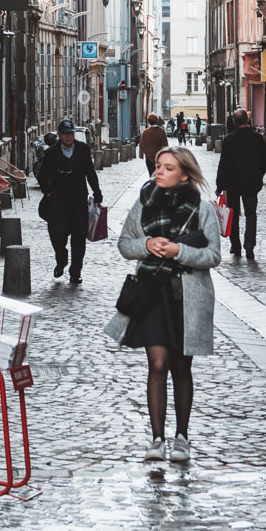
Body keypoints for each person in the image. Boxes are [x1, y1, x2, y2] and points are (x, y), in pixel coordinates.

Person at [104, 146, 221, 463]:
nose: (159, 171)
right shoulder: (144, 202)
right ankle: (157, 439)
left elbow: (213, 256)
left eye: (168, 168)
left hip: (186, 294)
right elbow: (125, 244)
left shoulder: (201, 209)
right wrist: (147, 245)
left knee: (181, 367)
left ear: (184, 174)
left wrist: (178, 252)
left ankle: (181, 437)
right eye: (158, 166)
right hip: (152, 291)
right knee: (157, 364)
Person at [37, 117, 102, 284]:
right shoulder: (51, 153)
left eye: (71, 133)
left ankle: (75, 272)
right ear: (59, 135)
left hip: (78, 201)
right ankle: (62, 259)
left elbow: (90, 172)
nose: (68, 137)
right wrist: (48, 193)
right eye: (65, 134)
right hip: (58, 202)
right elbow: (42, 175)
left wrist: (97, 192)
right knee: (57, 235)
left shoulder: (83, 149)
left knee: (79, 238)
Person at [215, 107, 266, 259]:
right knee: (251, 214)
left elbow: (223, 164)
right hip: (251, 184)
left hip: (233, 185)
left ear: (233, 121)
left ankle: (236, 246)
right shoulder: (257, 138)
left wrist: (220, 186)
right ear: (247, 120)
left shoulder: (230, 140)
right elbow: (265, 161)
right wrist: (258, 176)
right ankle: (249, 245)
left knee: (233, 215)